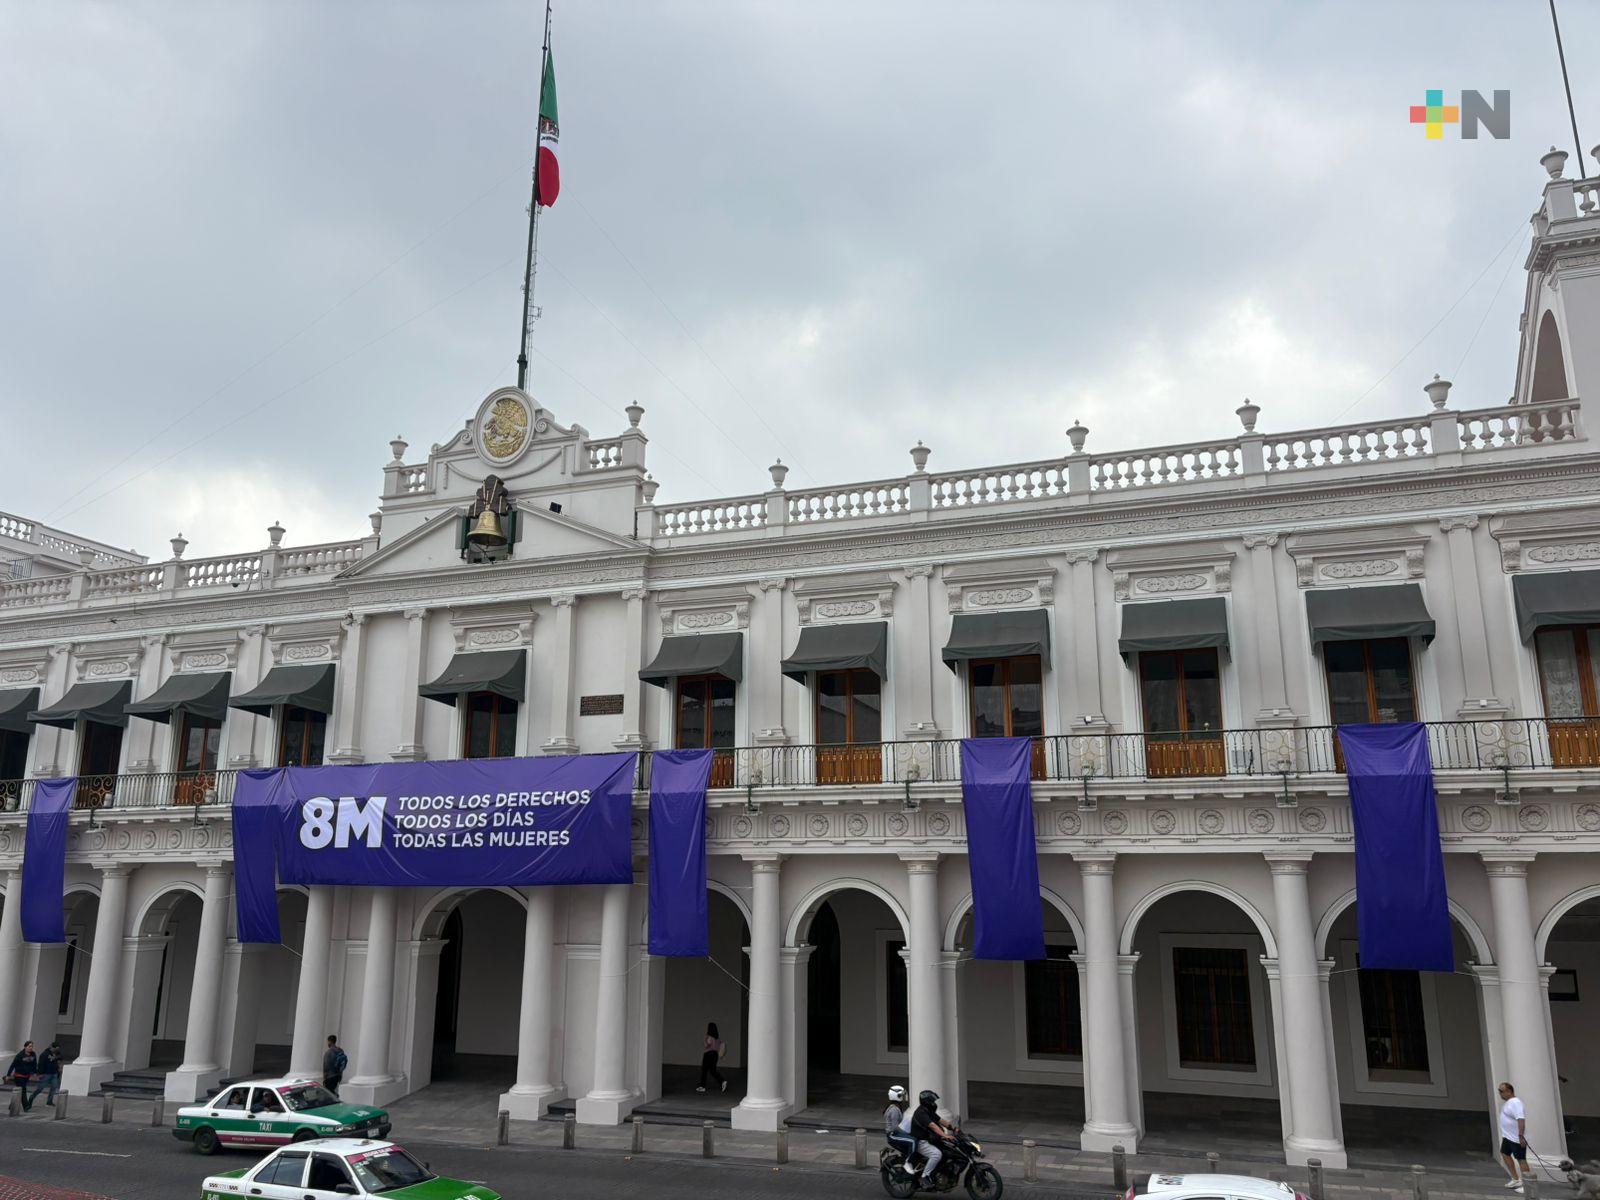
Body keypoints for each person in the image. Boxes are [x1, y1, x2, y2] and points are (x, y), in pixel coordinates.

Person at [906, 1089, 952, 1183]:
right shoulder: (921, 1113)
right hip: (920, 1141)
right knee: (936, 1154)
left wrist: (953, 1128)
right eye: (932, 1101)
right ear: (927, 1102)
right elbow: (933, 1125)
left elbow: (940, 1120)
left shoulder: (928, 1111)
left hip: (929, 1140)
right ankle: (925, 1176)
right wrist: (944, 1135)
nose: (934, 1103)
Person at [1498, 1081, 1529, 1192]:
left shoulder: (1516, 1102)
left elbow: (1521, 1119)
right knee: (1505, 1154)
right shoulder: (1509, 1102)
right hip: (1508, 1137)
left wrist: (1521, 1136)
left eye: (1501, 1091)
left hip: (1516, 1138)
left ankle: (1527, 1185)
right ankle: (1515, 1179)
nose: (1500, 1093)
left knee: (1521, 1159)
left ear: (1509, 1091)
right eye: (1499, 1091)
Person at [885, 1085, 917, 1162]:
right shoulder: (894, 1110)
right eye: (902, 1095)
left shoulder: (895, 1107)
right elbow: (895, 1128)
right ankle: (909, 1163)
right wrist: (907, 1133)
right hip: (893, 1135)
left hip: (895, 1133)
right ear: (897, 1096)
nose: (903, 1097)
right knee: (913, 1141)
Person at [28, 1043, 63, 1109]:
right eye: (55, 1049)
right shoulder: (44, 1054)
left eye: (58, 1049)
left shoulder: (56, 1053)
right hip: (46, 1074)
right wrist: (39, 1074)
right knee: (40, 1088)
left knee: (54, 1087)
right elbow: (40, 1064)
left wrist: (56, 1057)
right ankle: (31, 1097)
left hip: (54, 1074)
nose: (57, 1050)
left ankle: (49, 1102)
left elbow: (61, 1057)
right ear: (51, 1047)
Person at [6, 1041, 37, 1113]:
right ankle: (26, 1106)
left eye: (32, 1046)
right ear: (25, 1047)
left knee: (20, 1091)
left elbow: (34, 1064)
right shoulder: (20, 1055)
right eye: (29, 1046)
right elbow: (12, 1065)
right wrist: (8, 1075)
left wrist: (34, 1073)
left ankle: (12, 1105)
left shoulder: (33, 1054)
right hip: (19, 1076)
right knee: (23, 1090)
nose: (31, 1048)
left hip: (26, 1076)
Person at [696, 1022, 727, 1093]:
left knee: (704, 1070)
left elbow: (706, 1045)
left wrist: (705, 1039)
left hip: (708, 1054)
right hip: (715, 1055)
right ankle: (722, 1081)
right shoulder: (717, 1038)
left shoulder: (709, 1036)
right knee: (713, 1070)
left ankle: (702, 1087)